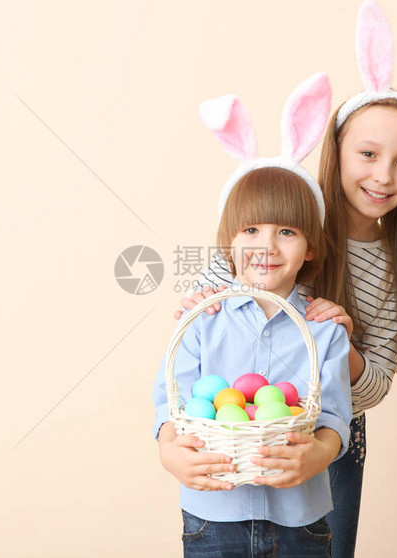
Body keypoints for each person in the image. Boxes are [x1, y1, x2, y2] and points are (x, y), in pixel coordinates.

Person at [175, 0, 397, 557]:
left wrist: (342, 344)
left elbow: (376, 383)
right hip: (246, 418)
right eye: (367, 153)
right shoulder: (293, 218)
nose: (383, 175)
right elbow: (225, 271)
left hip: (328, 433)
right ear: (334, 150)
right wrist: (204, 298)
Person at [154, 75, 355, 556]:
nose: (265, 246)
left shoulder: (324, 330)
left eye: (287, 230)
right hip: (213, 514)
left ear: (310, 248)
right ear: (230, 243)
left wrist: (319, 455)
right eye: (250, 229)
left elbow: (334, 417)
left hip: (301, 519)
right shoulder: (204, 317)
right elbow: (172, 398)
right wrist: (168, 452)